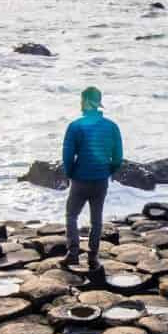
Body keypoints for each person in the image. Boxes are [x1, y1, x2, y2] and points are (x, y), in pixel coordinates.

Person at [61, 85, 124, 273]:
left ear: (87, 101)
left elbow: (67, 156)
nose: (80, 104)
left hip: (80, 180)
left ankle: (72, 254)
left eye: (82, 100)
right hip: (100, 181)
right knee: (96, 220)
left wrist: (70, 173)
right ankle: (93, 257)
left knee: (71, 215)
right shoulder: (112, 127)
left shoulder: (75, 126)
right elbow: (118, 157)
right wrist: (108, 171)